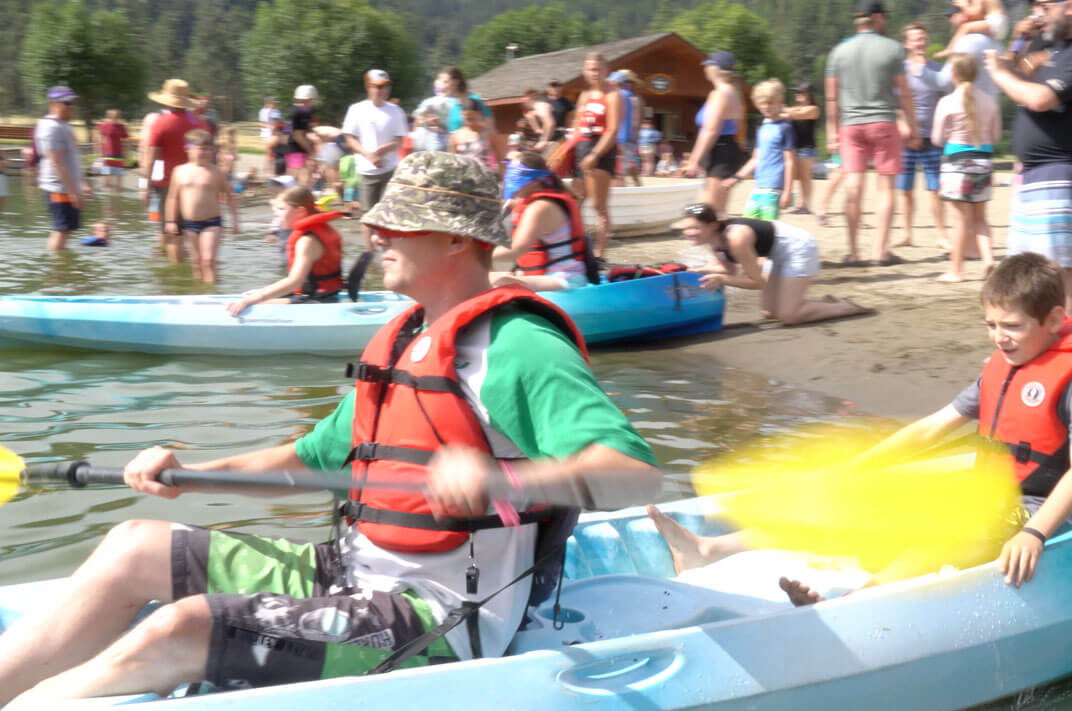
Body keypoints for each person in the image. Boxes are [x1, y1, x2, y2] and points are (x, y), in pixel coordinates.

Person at [0, 152, 658, 706]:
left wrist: (499, 477)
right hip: (348, 572)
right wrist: (181, 471)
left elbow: (632, 474)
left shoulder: (517, 344)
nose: (376, 237)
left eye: (396, 226)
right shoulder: (405, 338)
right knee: (132, 546)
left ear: (457, 238)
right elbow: (305, 457)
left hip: (438, 617)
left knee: (185, 627)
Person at [649, 253, 1072, 600]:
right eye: (990, 325)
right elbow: (932, 428)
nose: (999, 337)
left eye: (1011, 326)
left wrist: (1035, 534)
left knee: (944, 528)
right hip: (990, 490)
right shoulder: (1005, 365)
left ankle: (857, 604)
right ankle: (710, 548)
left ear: (1053, 319)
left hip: (1038, 509)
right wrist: (855, 467)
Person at [983, 0, 1072, 314]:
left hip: (1061, 169)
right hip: (1034, 171)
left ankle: (1069, 345)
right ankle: (1037, 342)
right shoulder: (1057, 44)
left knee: (1060, 266)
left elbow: (1040, 98)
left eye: (1044, 6)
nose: (1038, 14)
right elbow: (1019, 76)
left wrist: (999, 74)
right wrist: (1018, 41)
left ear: (1071, 6)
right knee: (1026, 264)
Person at [825, 1, 921, 266]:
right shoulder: (892, 49)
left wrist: (831, 130)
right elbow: (903, 91)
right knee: (885, 187)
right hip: (883, 123)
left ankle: (854, 252)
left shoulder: (838, 52)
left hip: (850, 126)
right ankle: (880, 252)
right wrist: (912, 124)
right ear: (877, 18)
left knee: (853, 186)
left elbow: (831, 98)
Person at [674, 202, 869, 325]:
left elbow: (757, 283)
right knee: (769, 312)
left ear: (713, 225)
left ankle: (845, 306)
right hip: (776, 253)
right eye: (686, 228)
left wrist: (722, 280)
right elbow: (728, 269)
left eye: (695, 227)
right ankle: (824, 304)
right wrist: (695, 271)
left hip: (797, 248)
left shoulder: (736, 238)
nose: (689, 232)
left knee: (788, 317)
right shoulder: (714, 239)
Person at [930, 53, 1000, 284]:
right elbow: (996, 136)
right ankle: (988, 259)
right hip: (983, 163)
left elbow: (937, 138)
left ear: (954, 74)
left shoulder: (947, 102)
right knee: (981, 218)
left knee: (959, 220)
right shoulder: (990, 101)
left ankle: (956, 271)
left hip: (957, 164)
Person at [227, 185, 344, 315]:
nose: (276, 213)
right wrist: (264, 290)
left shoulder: (306, 241)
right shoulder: (314, 232)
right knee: (256, 297)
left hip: (318, 302)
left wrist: (258, 296)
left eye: (282, 209)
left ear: (300, 212)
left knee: (255, 303)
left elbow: (295, 282)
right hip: (321, 295)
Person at [492, 151, 594, 291]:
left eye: (518, 175)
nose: (510, 179)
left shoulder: (540, 207)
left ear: (537, 180)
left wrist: (480, 255)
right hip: (551, 276)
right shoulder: (538, 202)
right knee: (488, 276)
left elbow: (516, 249)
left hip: (565, 280)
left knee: (497, 282)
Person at [144, 78, 211, 262]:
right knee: (196, 231)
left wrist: (146, 186)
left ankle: (175, 277)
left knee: (173, 232)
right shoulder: (201, 124)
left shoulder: (161, 123)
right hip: (199, 182)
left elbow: (152, 158)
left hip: (169, 184)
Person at [341, 69, 409, 249]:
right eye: (378, 87)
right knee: (368, 215)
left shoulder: (395, 111)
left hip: (390, 169)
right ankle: (369, 254)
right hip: (366, 169)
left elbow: (400, 140)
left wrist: (386, 149)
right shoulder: (357, 109)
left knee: (389, 212)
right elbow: (349, 138)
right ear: (368, 86)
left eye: (386, 86)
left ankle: (389, 251)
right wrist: (368, 154)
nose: (383, 90)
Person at [896, 24, 949, 249]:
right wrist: (902, 125)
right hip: (906, 140)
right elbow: (894, 104)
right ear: (907, 44)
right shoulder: (900, 71)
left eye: (923, 38)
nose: (920, 42)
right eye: (915, 39)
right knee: (905, 190)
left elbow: (947, 101)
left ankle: (941, 235)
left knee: (935, 189)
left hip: (931, 140)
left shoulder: (939, 70)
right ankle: (907, 234)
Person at [165, 130, 239, 284]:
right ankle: (199, 292)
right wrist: (170, 221)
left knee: (208, 260)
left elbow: (230, 196)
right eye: (200, 148)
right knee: (196, 262)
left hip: (212, 223)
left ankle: (212, 293)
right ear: (188, 149)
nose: (204, 152)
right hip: (189, 224)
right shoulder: (179, 171)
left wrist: (236, 220)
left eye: (208, 149)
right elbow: (172, 197)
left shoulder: (216, 172)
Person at [682, 51, 745, 218]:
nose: (705, 68)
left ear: (715, 69)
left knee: (714, 213)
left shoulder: (720, 94)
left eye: (708, 65)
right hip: (722, 149)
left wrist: (694, 161)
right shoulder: (732, 92)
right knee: (716, 212)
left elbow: (710, 131)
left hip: (720, 151)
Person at [572, 52, 623, 260]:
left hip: (601, 149)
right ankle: (576, 246)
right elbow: (576, 127)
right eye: (591, 69)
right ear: (585, 72)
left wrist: (595, 154)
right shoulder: (583, 96)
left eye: (598, 69)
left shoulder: (613, 95)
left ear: (606, 71)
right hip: (582, 147)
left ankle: (600, 253)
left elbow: (612, 130)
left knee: (598, 205)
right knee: (576, 200)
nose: (594, 73)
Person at [725, 79, 794, 220]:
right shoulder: (762, 129)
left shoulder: (785, 128)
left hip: (774, 188)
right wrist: (736, 177)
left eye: (770, 103)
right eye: (762, 103)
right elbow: (755, 159)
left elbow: (790, 162)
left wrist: (787, 191)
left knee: (767, 229)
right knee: (747, 225)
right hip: (758, 187)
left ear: (780, 102)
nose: (766, 107)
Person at [35, 85, 91, 251]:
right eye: (67, 103)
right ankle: (57, 270)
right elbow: (56, 162)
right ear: (53, 103)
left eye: (72, 102)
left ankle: (61, 266)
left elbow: (72, 159)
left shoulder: (63, 125)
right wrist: (73, 192)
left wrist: (82, 183)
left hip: (67, 187)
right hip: (58, 188)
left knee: (66, 230)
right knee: (62, 230)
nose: (71, 107)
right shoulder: (51, 127)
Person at [785, 82, 820, 215]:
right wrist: (788, 110)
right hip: (796, 147)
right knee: (798, 177)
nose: (797, 94)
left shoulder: (814, 109)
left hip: (807, 148)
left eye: (800, 92)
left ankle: (806, 205)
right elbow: (788, 113)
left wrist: (787, 110)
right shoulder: (796, 109)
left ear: (808, 95)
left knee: (805, 178)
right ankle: (800, 204)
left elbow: (796, 114)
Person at [937, 0, 1010, 59]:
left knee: (966, 27)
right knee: (968, 27)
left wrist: (963, 6)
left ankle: (950, 49)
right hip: (998, 23)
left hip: (995, 22)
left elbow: (975, 13)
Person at [449, 97, 502, 176]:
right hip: (465, 180)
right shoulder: (455, 136)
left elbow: (500, 159)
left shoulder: (489, 134)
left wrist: (503, 179)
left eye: (472, 118)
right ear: (461, 114)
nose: (469, 120)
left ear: (479, 114)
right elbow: (451, 162)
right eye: (467, 118)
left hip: (486, 179)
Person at [609, 70, 643, 187]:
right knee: (629, 165)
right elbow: (636, 123)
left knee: (619, 170)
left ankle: (624, 193)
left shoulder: (619, 96)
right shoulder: (634, 98)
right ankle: (638, 186)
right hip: (628, 137)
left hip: (620, 137)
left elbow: (634, 121)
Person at [438, 67, 493, 133]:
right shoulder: (450, 104)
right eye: (441, 82)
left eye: (445, 82)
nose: (442, 87)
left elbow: (490, 128)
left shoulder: (475, 101)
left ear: (456, 82)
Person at [94, 109, 129, 192]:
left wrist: (126, 154)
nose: (115, 119)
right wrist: (98, 152)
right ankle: (105, 195)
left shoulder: (121, 127)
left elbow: (126, 141)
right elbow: (99, 138)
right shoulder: (105, 125)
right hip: (108, 155)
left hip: (119, 155)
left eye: (117, 117)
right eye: (114, 117)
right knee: (107, 182)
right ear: (109, 117)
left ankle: (117, 198)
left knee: (119, 181)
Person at [258, 97, 282, 175]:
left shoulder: (276, 111)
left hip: (274, 132)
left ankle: (269, 167)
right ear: (268, 103)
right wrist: (268, 126)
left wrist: (276, 127)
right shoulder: (262, 111)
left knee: (272, 150)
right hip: (266, 133)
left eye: (275, 103)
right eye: (273, 103)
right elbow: (261, 123)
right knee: (270, 149)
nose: (274, 104)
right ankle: (269, 167)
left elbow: (278, 122)